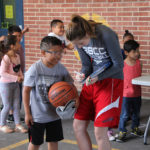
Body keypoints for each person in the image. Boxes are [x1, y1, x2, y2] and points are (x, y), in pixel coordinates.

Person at [65, 14, 124, 150]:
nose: (79, 46)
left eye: (81, 43)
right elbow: (86, 65)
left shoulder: (106, 35)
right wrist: (82, 75)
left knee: (100, 132)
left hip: (111, 81)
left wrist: (99, 77)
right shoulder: (78, 41)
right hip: (93, 80)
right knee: (78, 126)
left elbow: (119, 65)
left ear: (87, 33)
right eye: (76, 44)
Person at [23, 36, 75, 150]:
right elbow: (26, 91)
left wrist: (75, 102)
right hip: (37, 116)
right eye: (55, 52)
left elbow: (71, 86)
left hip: (55, 115)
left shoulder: (61, 69)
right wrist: (27, 113)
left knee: (53, 141)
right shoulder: (35, 69)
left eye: (60, 52)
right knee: (35, 143)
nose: (59, 56)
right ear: (43, 52)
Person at [116, 40, 143, 142]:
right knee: (125, 114)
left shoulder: (139, 63)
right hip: (126, 95)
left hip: (137, 93)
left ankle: (135, 128)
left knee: (136, 113)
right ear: (126, 53)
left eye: (137, 51)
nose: (137, 53)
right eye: (134, 51)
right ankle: (122, 131)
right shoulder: (122, 65)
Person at [0, 35, 27, 133]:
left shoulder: (17, 56)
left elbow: (18, 69)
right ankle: (2, 125)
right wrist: (16, 78)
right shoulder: (6, 58)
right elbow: (2, 73)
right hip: (6, 85)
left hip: (15, 84)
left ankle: (18, 124)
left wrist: (21, 76)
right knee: (7, 106)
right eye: (17, 43)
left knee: (16, 105)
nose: (19, 44)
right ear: (12, 46)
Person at [6, 25, 29, 123]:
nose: (19, 38)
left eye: (20, 36)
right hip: (13, 77)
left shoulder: (17, 44)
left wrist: (23, 32)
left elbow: (18, 36)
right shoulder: (9, 48)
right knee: (13, 96)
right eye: (16, 36)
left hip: (20, 74)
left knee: (18, 95)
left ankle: (14, 114)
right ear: (9, 36)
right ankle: (11, 115)